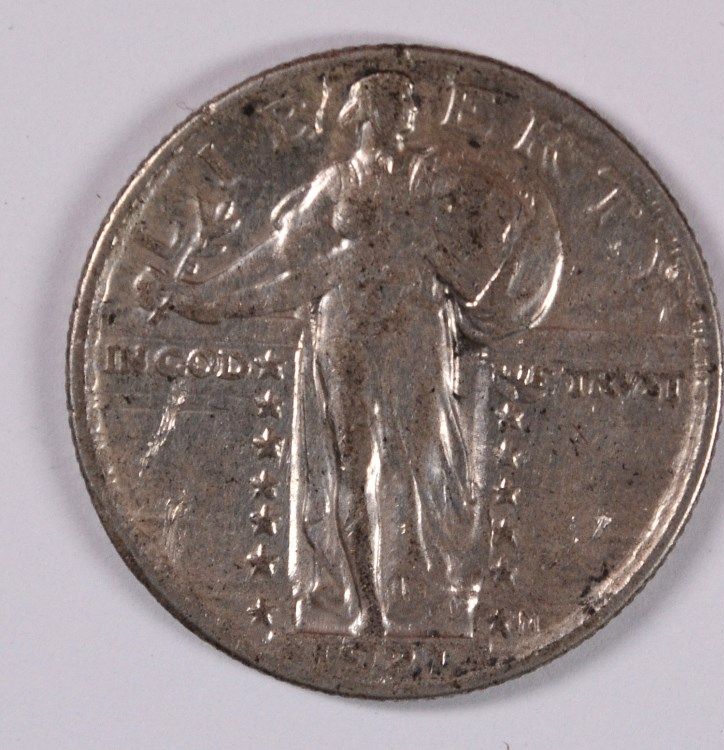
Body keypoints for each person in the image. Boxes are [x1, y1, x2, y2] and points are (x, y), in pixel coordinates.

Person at [136, 71, 563, 637]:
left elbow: (478, 244)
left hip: (416, 322)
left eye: (410, 104)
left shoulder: (429, 176)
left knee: (422, 460)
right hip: (345, 323)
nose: (408, 113)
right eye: (396, 103)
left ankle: (422, 594)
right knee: (352, 465)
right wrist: (194, 293)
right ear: (367, 112)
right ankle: (366, 605)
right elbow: (279, 255)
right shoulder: (337, 180)